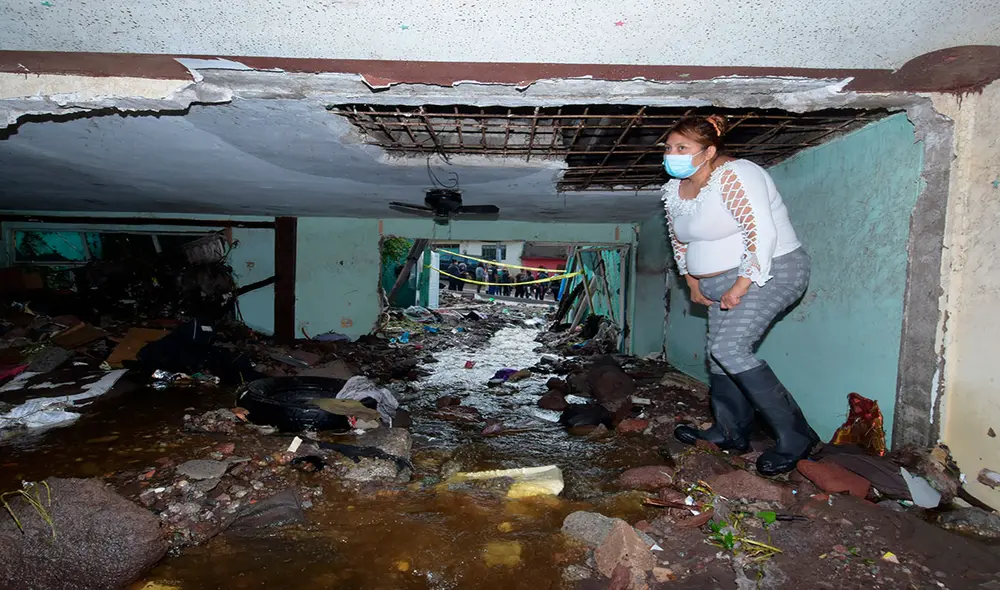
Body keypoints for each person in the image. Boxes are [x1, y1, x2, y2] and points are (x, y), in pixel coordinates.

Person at [663, 114, 816, 476]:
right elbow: (679, 239)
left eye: (682, 148)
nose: (673, 154)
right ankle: (730, 433)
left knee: (729, 349)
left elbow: (760, 232)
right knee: (719, 358)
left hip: (770, 272)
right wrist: (692, 282)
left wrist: (742, 284)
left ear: (709, 150)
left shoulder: (737, 174)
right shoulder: (674, 189)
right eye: (669, 148)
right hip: (719, 283)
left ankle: (798, 438)